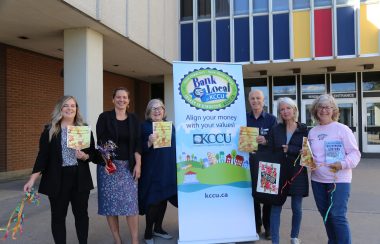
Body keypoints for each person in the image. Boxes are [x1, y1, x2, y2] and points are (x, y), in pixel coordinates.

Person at [23, 95, 98, 244]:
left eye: (73, 106)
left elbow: (94, 154)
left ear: (77, 109)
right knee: (58, 217)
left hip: (79, 178)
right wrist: (32, 179)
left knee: (81, 215)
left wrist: (84, 156)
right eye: (66, 105)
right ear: (60, 108)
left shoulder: (83, 129)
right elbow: (42, 156)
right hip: (57, 179)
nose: (70, 108)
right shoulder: (50, 130)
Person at [308, 94, 360, 244]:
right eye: (320, 107)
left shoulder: (342, 129)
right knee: (326, 214)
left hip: (339, 180)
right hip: (317, 180)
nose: (323, 110)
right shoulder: (313, 132)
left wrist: (342, 164)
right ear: (315, 110)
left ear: (333, 110)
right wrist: (306, 157)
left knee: (337, 215)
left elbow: (355, 154)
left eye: (327, 107)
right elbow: (313, 156)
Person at [96, 87, 142, 244]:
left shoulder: (134, 119)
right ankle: (117, 239)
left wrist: (138, 165)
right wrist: (108, 163)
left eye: (125, 97)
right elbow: (101, 142)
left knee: (131, 205)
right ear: (113, 99)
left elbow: (138, 143)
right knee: (111, 205)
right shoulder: (104, 117)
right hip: (109, 167)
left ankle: (135, 240)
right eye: (118, 97)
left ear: (128, 101)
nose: (121, 100)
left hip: (129, 166)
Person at [267, 97, 309, 244]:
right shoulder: (275, 129)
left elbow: (308, 152)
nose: (285, 112)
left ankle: (294, 236)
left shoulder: (304, 129)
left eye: (288, 108)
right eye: (282, 109)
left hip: (297, 172)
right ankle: (275, 241)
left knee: (296, 207)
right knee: (276, 206)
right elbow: (270, 150)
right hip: (278, 173)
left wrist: (290, 149)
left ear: (294, 110)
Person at [139, 99, 177, 244]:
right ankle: (148, 232)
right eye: (154, 108)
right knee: (153, 201)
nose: (157, 111)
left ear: (164, 111)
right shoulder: (144, 127)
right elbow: (137, 148)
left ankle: (158, 228)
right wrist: (148, 142)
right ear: (148, 111)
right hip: (152, 170)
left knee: (163, 199)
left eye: (160, 108)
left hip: (167, 168)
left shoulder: (170, 126)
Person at [247, 89, 277, 239]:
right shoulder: (244, 118)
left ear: (263, 101)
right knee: (253, 196)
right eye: (252, 98)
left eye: (258, 98)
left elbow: (277, 141)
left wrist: (265, 141)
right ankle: (256, 226)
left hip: (267, 163)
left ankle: (269, 227)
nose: (255, 101)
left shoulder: (271, 119)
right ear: (249, 101)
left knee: (267, 197)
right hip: (250, 163)